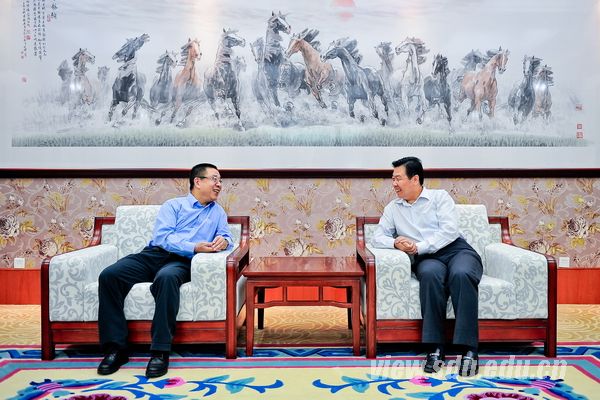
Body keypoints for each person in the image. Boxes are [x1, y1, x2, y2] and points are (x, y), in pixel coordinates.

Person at [97, 163, 233, 378]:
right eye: (214, 179)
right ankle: (116, 349)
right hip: (154, 254)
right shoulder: (173, 205)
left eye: (220, 181)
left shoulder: (218, 212)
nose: (219, 185)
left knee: (167, 278)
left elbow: (226, 236)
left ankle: (160, 351)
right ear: (198, 181)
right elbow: (163, 237)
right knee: (109, 276)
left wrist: (224, 241)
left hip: (182, 261)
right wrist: (194, 246)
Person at [372, 157, 483, 376]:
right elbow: (377, 237)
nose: (394, 184)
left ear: (415, 179)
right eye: (393, 179)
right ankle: (435, 348)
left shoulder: (439, 198)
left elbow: (450, 231)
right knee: (430, 275)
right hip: (427, 259)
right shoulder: (393, 208)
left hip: (456, 250)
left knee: (461, 274)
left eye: (398, 178)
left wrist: (419, 246)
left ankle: (469, 350)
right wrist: (395, 242)